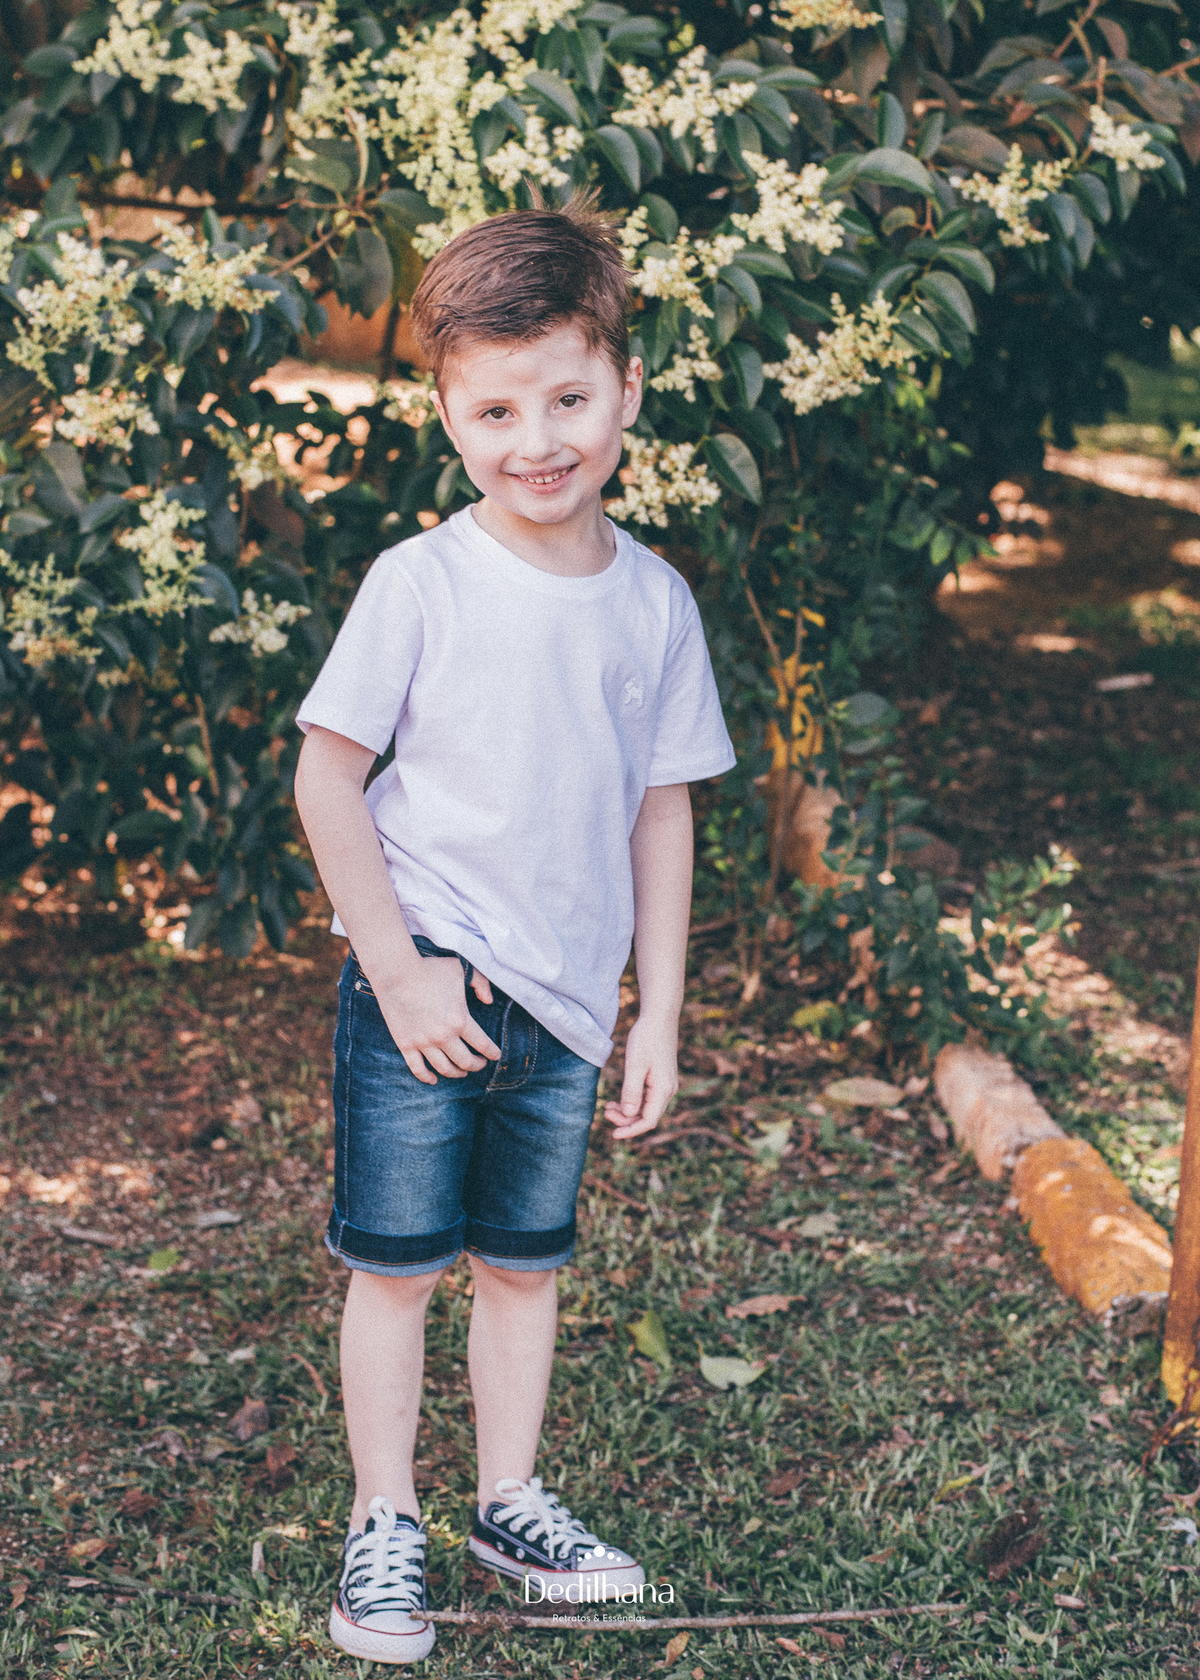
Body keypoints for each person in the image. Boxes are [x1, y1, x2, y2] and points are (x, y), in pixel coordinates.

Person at [293, 194, 736, 1665]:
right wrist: (400, 971)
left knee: (525, 1265)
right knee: (396, 1269)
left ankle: (508, 1502)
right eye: (495, 409)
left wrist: (657, 1011)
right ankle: (384, 1522)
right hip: (424, 990)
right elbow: (327, 778)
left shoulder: (655, 604)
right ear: (447, 414)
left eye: (567, 399)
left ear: (626, 389)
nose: (536, 440)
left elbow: (661, 811)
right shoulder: (420, 583)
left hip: (565, 1008)